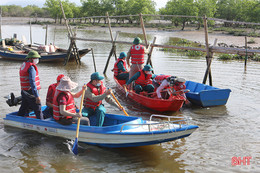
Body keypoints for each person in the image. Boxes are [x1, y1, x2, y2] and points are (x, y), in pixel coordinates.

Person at [18, 50, 44, 119]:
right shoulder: (31, 67)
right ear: (30, 58)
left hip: (24, 91)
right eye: (35, 58)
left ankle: (17, 120)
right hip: (31, 92)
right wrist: (37, 96)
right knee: (38, 108)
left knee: (24, 107)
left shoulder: (24, 65)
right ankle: (41, 123)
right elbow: (32, 82)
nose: (37, 60)